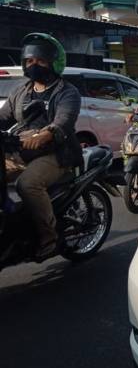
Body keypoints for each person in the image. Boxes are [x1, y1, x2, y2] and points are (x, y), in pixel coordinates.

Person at [0, 33, 82, 260]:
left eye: (40, 61)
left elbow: (64, 120)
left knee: (28, 184)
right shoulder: (21, 91)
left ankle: (49, 237)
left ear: (53, 62)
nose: (33, 65)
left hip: (57, 152)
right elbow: (4, 117)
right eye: (29, 61)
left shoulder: (67, 91)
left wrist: (46, 134)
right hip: (20, 150)